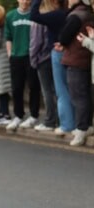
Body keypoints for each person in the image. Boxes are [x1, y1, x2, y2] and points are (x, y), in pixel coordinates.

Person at [30, 0, 76, 135]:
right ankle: (74, 122)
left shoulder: (56, 15)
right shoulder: (73, 15)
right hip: (72, 52)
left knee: (61, 90)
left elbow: (34, 16)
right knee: (72, 89)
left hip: (57, 52)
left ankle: (66, 124)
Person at [59, 0, 94, 146]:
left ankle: (81, 129)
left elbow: (63, 37)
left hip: (76, 61)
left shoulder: (76, 16)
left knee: (78, 97)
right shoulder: (89, 16)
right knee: (85, 96)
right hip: (86, 62)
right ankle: (86, 126)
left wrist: (87, 41)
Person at [4, 0, 41, 131]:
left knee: (33, 86)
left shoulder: (35, 15)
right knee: (16, 87)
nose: (25, 1)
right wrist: (9, 53)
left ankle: (34, 115)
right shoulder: (10, 16)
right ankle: (18, 115)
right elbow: (8, 36)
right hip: (16, 56)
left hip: (31, 55)